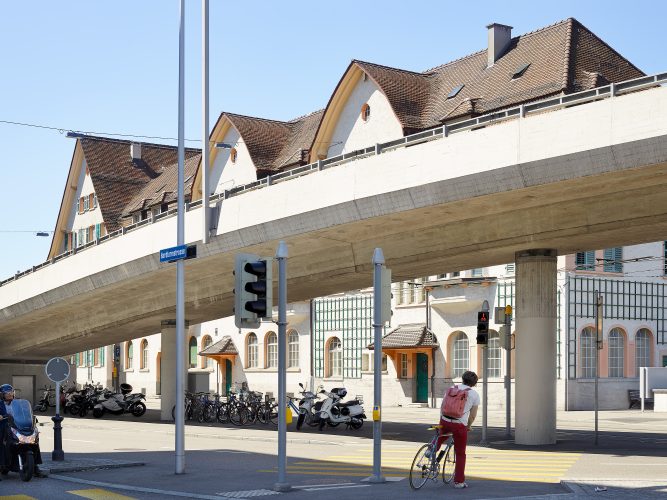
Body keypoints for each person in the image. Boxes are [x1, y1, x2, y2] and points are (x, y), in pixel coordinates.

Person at [435, 371, 480, 489]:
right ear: (474, 383)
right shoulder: (474, 394)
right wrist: (468, 426)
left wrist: (442, 419)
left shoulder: (451, 388)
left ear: (462, 379)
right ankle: (459, 482)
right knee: (460, 453)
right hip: (459, 425)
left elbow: (443, 405)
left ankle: (431, 450)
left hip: (445, 420)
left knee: (441, 436)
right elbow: (473, 415)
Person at [0, 384, 46, 478]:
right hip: (4, 426)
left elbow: (25, 412)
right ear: (2, 394)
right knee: (2, 442)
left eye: (11, 392)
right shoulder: (0, 403)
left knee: (33, 442)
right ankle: (2, 463)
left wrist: (30, 418)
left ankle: (35, 467)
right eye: (7, 393)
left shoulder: (18, 403)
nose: (9, 395)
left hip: (18, 426)